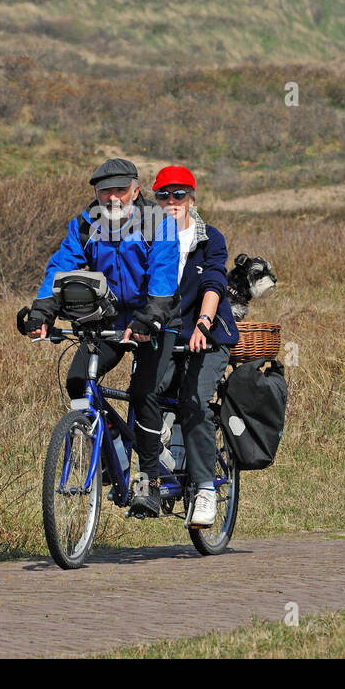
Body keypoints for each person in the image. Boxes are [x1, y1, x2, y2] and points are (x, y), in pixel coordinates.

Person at [25, 158, 180, 517]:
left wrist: (149, 318)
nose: (112, 198)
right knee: (79, 382)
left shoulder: (159, 223)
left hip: (153, 321)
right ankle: (115, 458)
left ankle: (150, 481)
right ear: (95, 193)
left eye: (120, 190)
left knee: (143, 394)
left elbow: (163, 276)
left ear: (136, 190)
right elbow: (61, 268)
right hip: (106, 320)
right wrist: (42, 312)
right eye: (104, 190)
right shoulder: (84, 225)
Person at [151, 165, 239, 528]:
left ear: (192, 197)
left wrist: (203, 322)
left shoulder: (209, 238)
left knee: (194, 401)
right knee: (144, 394)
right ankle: (153, 469)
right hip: (167, 336)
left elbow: (214, 282)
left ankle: (204, 489)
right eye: (163, 195)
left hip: (209, 336)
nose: (171, 202)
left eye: (179, 195)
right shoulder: (150, 237)